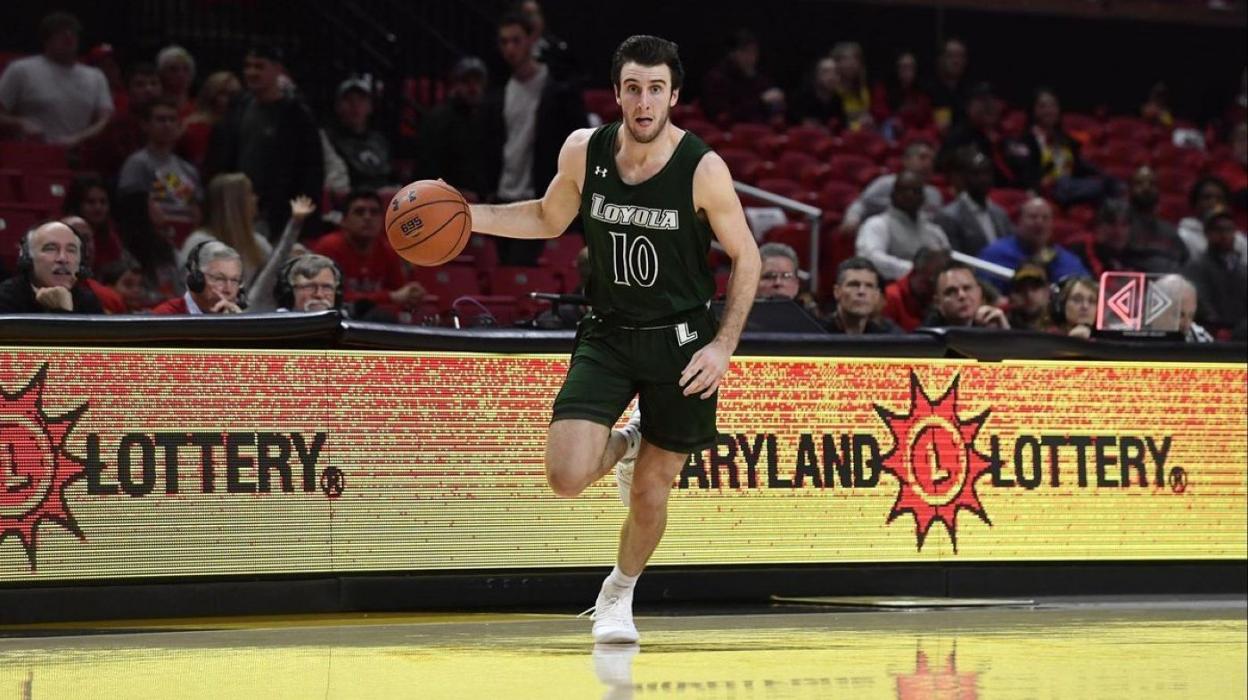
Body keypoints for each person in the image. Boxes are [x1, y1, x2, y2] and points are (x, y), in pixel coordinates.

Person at [466, 35, 761, 644]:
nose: (644, 101)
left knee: (654, 489)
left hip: (682, 342)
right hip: (607, 330)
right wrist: (471, 215)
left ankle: (619, 593)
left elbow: (747, 256)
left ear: (674, 96)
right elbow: (549, 218)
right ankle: (627, 441)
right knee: (567, 476)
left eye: (656, 89)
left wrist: (723, 345)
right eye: (633, 88)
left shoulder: (702, 168)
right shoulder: (585, 150)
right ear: (618, 94)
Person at [481, 12, 588, 266]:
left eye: (516, 40)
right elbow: (490, 145)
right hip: (503, 197)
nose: (510, 48)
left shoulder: (559, 90)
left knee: (525, 270)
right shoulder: (497, 93)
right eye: (504, 42)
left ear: (532, 40)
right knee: (504, 272)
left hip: (539, 198)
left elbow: (579, 141)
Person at [206, 46, 323, 241]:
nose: (251, 72)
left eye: (259, 67)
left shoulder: (296, 115)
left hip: (277, 212)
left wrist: (302, 218)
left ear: (277, 70)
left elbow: (310, 172)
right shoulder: (238, 108)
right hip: (236, 206)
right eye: (248, 66)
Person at [0, 12, 113, 147]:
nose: (68, 35)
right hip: (32, 152)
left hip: (77, 156)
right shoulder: (21, 69)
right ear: (46, 39)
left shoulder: (95, 76)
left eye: (73, 32)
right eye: (60, 32)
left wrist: (77, 138)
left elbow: (105, 120)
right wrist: (19, 123)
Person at [310, 190, 425, 311]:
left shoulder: (388, 250)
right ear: (344, 221)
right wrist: (390, 297)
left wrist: (412, 295)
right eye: (359, 212)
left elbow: (400, 292)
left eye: (374, 212)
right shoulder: (328, 247)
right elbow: (328, 296)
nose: (367, 217)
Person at [117, 97, 203, 240]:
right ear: (145, 125)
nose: (167, 125)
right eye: (161, 120)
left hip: (186, 237)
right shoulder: (137, 163)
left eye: (172, 119)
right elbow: (133, 207)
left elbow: (195, 209)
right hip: (152, 237)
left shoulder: (188, 169)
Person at [1012, 88, 1115, 206]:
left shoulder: (1066, 140)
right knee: (1070, 184)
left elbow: (1079, 165)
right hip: (1049, 188)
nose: (1049, 111)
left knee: (1111, 184)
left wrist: (1104, 176)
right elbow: (1025, 173)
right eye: (1043, 106)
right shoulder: (1025, 141)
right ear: (1033, 111)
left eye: (1053, 106)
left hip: (1070, 186)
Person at [416, 57, 491, 201]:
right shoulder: (438, 120)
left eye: (477, 81)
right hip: (445, 201)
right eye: (466, 82)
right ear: (455, 85)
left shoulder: (485, 118)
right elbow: (428, 169)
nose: (472, 88)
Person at [978, 197, 1088, 294]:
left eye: (1045, 218)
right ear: (1018, 222)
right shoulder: (994, 254)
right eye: (1033, 217)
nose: (1039, 222)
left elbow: (1087, 289)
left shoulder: (1069, 261)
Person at [854, 170, 950, 281]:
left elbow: (947, 260)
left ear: (923, 197)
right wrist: (916, 271)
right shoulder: (876, 224)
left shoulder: (934, 231)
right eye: (904, 190)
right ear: (893, 194)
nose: (910, 195)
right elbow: (870, 259)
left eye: (916, 191)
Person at [179, 173, 271, 281]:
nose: (255, 199)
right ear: (234, 204)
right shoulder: (200, 243)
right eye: (249, 194)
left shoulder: (259, 243)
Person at [0, 221, 104, 314]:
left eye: (71, 250)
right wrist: (60, 311)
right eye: (50, 249)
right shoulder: (5, 298)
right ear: (27, 258)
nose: (63, 258)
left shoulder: (89, 302)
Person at [840, 140, 942, 235]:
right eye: (922, 157)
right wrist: (852, 220)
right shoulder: (886, 183)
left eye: (931, 160)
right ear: (906, 160)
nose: (928, 163)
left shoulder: (934, 194)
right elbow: (861, 204)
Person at [1182, 207, 1247, 336]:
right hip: (1210, 333)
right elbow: (1201, 304)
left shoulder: (1241, 267)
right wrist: (1217, 327)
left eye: (1229, 230)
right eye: (1218, 230)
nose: (1224, 235)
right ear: (1207, 233)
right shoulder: (1196, 266)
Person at [935, 150, 1015, 254]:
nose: (983, 179)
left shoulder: (1000, 213)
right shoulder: (948, 216)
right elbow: (955, 257)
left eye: (987, 173)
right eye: (976, 174)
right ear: (965, 178)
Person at [323, 76, 394, 193]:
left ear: (370, 106)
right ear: (337, 107)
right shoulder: (328, 140)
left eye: (361, 99)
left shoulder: (380, 140)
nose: (355, 105)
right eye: (348, 99)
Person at [699, 29, 785, 125]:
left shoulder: (761, 80)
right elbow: (723, 117)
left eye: (754, 52)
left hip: (762, 133)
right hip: (731, 134)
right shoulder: (716, 79)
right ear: (732, 53)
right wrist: (760, 102)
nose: (751, 57)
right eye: (745, 52)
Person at [151, 240, 246, 315]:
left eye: (234, 280)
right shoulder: (165, 316)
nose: (228, 290)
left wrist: (239, 326)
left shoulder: (236, 317)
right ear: (196, 280)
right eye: (219, 279)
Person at [60, 215, 128, 313]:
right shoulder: (34, 296)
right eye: (73, 239)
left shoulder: (110, 300)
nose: (82, 247)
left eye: (86, 239)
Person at [1125, 166, 1189, 271]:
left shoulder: (1170, 231)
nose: (1146, 188)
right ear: (1130, 189)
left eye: (1152, 184)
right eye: (1139, 183)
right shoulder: (1120, 227)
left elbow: (1184, 261)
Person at [1177, 176, 1247, 267]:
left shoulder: (1240, 239)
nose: (1213, 202)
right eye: (1207, 198)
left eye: (1219, 199)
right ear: (1195, 203)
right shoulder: (1182, 236)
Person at [62, 176, 126, 271]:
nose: (98, 207)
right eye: (91, 202)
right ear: (77, 204)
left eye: (103, 202)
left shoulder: (111, 236)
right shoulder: (63, 232)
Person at [180, 71, 242, 168]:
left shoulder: (241, 126)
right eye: (223, 93)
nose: (230, 99)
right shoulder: (191, 127)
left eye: (234, 94)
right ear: (211, 94)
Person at [922, 260, 1009, 329]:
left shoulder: (993, 321)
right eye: (951, 291)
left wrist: (1004, 334)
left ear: (980, 293)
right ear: (938, 303)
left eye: (967, 288)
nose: (962, 295)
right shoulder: (927, 340)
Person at [824, 257, 899, 334]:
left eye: (869, 286)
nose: (861, 291)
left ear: (877, 295)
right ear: (837, 292)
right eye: (853, 285)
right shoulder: (817, 332)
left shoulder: (886, 338)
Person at [882, 246, 949, 331]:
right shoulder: (891, 297)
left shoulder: (938, 298)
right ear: (916, 272)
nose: (934, 288)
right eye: (930, 282)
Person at [871, 51, 933, 139]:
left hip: (914, 136)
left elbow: (928, 120)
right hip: (888, 137)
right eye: (903, 67)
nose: (907, 71)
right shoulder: (883, 89)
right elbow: (879, 113)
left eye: (911, 67)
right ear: (896, 69)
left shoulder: (921, 93)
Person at [789, 54, 845, 128]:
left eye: (836, 72)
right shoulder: (802, 99)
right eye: (826, 72)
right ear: (816, 75)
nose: (832, 76)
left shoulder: (837, 100)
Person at [1154, 274, 1214, 343]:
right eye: (1180, 315)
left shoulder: (1200, 338)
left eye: (1191, 316)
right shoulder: (1140, 335)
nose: (1186, 325)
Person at [926, 38, 970, 130]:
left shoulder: (972, 91)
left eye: (960, 56)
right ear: (941, 59)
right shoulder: (928, 91)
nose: (956, 61)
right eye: (951, 56)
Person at [274, 254, 343, 312]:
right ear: (289, 292)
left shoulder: (346, 326)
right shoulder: (272, 327)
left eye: (327, 287)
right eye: (309, 287)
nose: (319, 294)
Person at [831, 42, 872, 131]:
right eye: (845, 59)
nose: (851, 63)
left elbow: (864, 118)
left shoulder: (863, 90)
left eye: (855, 58)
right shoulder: (831, 91)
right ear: (835, 63)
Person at [1005, 264, 1052, 331]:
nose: (1029, 294)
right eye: (1022, 288)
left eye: (1035, 287)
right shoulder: (1003, 322)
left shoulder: (1061, 326)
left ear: (1048, 290)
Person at [156, 45, 196, 119]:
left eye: (186, 69)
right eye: (173, 69)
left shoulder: (199, 109)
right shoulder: (153, 110)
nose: (181, 75)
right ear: (161, 74)